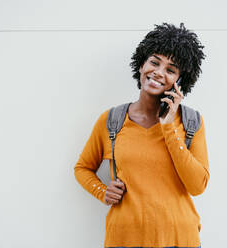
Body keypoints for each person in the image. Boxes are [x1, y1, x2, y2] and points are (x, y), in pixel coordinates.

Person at [74, 22, 209, 248]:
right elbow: (82, 168)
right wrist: (103, 191)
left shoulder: (191, 122)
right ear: (141, 65)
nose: (158, 72)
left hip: (179, 239)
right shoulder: (111, 120)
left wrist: (168, 127)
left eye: (171, 69)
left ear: (179, 81)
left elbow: (198, 186)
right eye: (154, 62)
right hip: (124, 239)